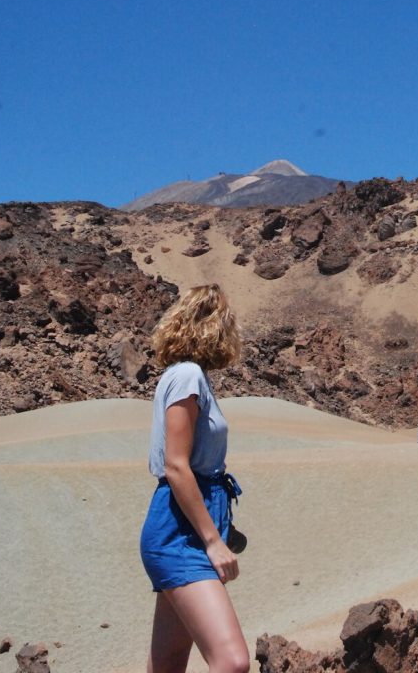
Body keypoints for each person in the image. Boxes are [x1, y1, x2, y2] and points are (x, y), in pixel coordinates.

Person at [140, 284, 250, 673]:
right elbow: (176, 466)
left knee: (167, 664)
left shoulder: (189, 376)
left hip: (185, 525)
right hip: (179, 533)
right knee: (233, 661)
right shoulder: (187, 376)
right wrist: (213, 541)